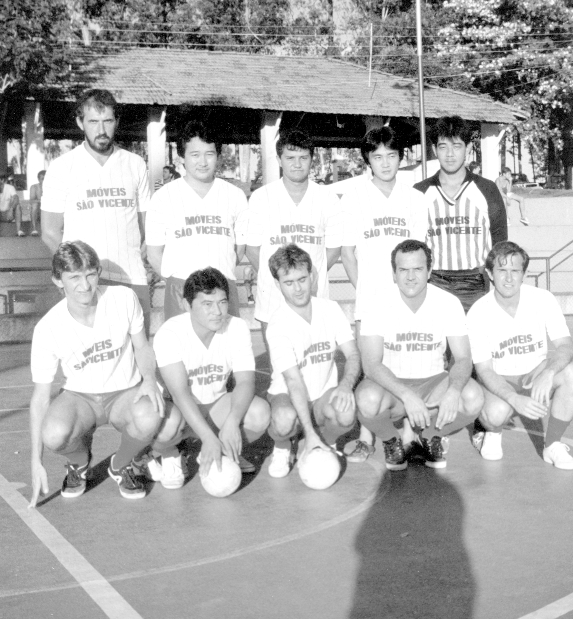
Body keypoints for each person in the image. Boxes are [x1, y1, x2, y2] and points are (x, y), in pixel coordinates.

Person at [29, 241, 166, 505]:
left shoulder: (123, 299)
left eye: (90, 274)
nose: (85, 285)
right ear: (58, 281)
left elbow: (142, 347)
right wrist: (36, 461)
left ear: (99, 271)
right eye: (74, 278)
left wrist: (149, 380)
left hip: (124, 392)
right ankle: (79, 462)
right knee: (54, 434)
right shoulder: (48, 327)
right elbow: (40, 398)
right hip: (80, 399)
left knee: (151, 414)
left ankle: (122, 463)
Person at [340, 126, 428, 462]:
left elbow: (418, 254)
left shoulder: (414, 199)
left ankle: (406, 435)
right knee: (369, 370)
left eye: (391, 155)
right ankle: (366, 437)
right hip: (371, 303)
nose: (385, 163)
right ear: (367, 160)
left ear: (401, 157)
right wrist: (365, 292)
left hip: (406, 301)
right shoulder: (354, 197)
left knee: (404, 367)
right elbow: (348, 254)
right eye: (377, 157)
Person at [356, 239, 483, 470]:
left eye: (418, 269)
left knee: (473, 397)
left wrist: (454, 391)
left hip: (433, 383)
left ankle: (430, 435)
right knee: (366, 400)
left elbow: (463, 358)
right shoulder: (376, 304)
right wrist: (407, 395)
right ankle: (390, 440)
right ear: (394, 273)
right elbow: (371, 365)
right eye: (403, 270)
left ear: (429, 271)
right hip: (393, 390)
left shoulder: (448, 302)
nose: (410, 276)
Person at [41, 89, 152, 333]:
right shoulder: (62, 168)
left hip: (132, 279)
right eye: (93, 121)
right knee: (93, 361)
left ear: (117, 122)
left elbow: (147, 229)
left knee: (139, 356)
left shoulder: (135, 164)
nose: (101, 130)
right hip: (86, 283)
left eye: (107, 121)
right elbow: (50, 232)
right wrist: (79, 273)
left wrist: (139, 263)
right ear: (80, 122)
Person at [467, 241, 573, 469]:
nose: (509, 278)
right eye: (502, 271)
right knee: (497, 413)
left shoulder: (543, 299)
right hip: (500, 379)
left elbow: (566, 346)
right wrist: (513, 398)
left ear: (524, 274)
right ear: (490, 273)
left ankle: (553, 445)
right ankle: (492, 433)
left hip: (535, 373)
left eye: (515, 271)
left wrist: (549, 372)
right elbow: (484, 370)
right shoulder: (478, 312)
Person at [150, 267, 270, 484]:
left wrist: (232, 422)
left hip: (216, 406)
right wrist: (206, 437)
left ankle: (225, 450)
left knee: (259, 413)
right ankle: (172, 453)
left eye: (222, 302)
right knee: (165, 428)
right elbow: (179, 393)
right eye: (207, 304)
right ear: (187, 305)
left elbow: (245, 382)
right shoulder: (170, 333)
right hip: (179, 410)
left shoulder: (237, 327)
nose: (217, 311)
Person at [265, 244, 361, 478]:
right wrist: (308, 433)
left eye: (302, 279)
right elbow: (293, 381)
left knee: (346, 411)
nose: (297, 289)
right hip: (287, 394)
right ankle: (283, 446)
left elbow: (353, 355)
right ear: (278, 284)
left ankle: (325, 443)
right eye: (289, 283)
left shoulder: (330, 309)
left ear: (312, 276)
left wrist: (346, 385)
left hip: (321, 395)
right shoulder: (277, 324)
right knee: (284, 420)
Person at [146, 121, 248, 320]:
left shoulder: (235, 196)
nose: (202, 162)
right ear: (181, 156)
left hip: (223, 290)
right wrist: (186, 287)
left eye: (209, 154)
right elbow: (154, 254)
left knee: (226, 350)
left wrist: (215, 285)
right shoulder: (163, 197)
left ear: (218, 155)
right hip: (180, 292)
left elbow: (238, 250)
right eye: (195, 155)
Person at [245, 129, 343, 334]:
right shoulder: (261, 198)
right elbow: (252, 249)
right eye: (290, 158)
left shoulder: (328, 199)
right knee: (279, 364)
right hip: (273, 297)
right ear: (279, 160)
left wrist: (306, 278)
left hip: (314, 296)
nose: (297, 164)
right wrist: (280, 278)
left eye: (303, 157)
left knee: (316, 361)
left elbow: (333, 251)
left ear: (311, 159)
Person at [415, 116, 507, 313]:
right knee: (439, 344)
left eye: (456, 146)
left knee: (474, 344)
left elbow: (500, 242)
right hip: (434, 282)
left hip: (475, 283)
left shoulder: (487, 189)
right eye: (443, 147)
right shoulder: (420, 193)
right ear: (433, 150)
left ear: (468, 148)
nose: (450, 154)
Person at [29, 170, 46, 236]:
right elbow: (32, 200)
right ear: (38, 179)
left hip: (48, 208)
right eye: (42, 179)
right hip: (38, 207)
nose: (45, 181)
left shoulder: (52, 187)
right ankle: (34, 229)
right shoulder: (34, 187)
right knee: (34, 206)